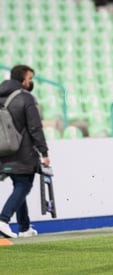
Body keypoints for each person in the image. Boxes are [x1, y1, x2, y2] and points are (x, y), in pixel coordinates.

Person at [0, 65, 50, 238]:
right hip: (23, 151)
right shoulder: (25, 98)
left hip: (3, 151)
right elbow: (35, 128)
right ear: (22, 79)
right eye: (30, 79)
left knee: (19, 185)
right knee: (24, 185)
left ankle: (24, 228)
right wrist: (44, 152)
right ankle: (3, 220)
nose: (31, 82)